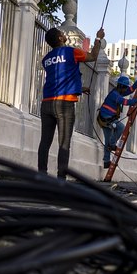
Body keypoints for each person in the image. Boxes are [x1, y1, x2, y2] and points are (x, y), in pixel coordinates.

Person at [37, 26, 105, 179]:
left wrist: (79, 88)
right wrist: (98, 38)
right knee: (64, 143)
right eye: (62, 33)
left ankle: (41, 176)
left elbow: (60, 77)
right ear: (60, 38)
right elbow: (93, 56)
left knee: (45, 142)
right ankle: (61, 179)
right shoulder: (71, 51)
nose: (64, 34)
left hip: (47, 103)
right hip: (64, 104)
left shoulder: (46, 59)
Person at [97, 75, 137, 169]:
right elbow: (126, 102)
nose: (126, 89)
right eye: (125, 87)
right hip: (106, 118)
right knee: (121, 127)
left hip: (106, 118)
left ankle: (106, 161)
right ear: (121, 87)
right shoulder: (115, 95)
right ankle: (112, 144)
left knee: (108, 140)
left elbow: (131, 89)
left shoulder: (118, 92)